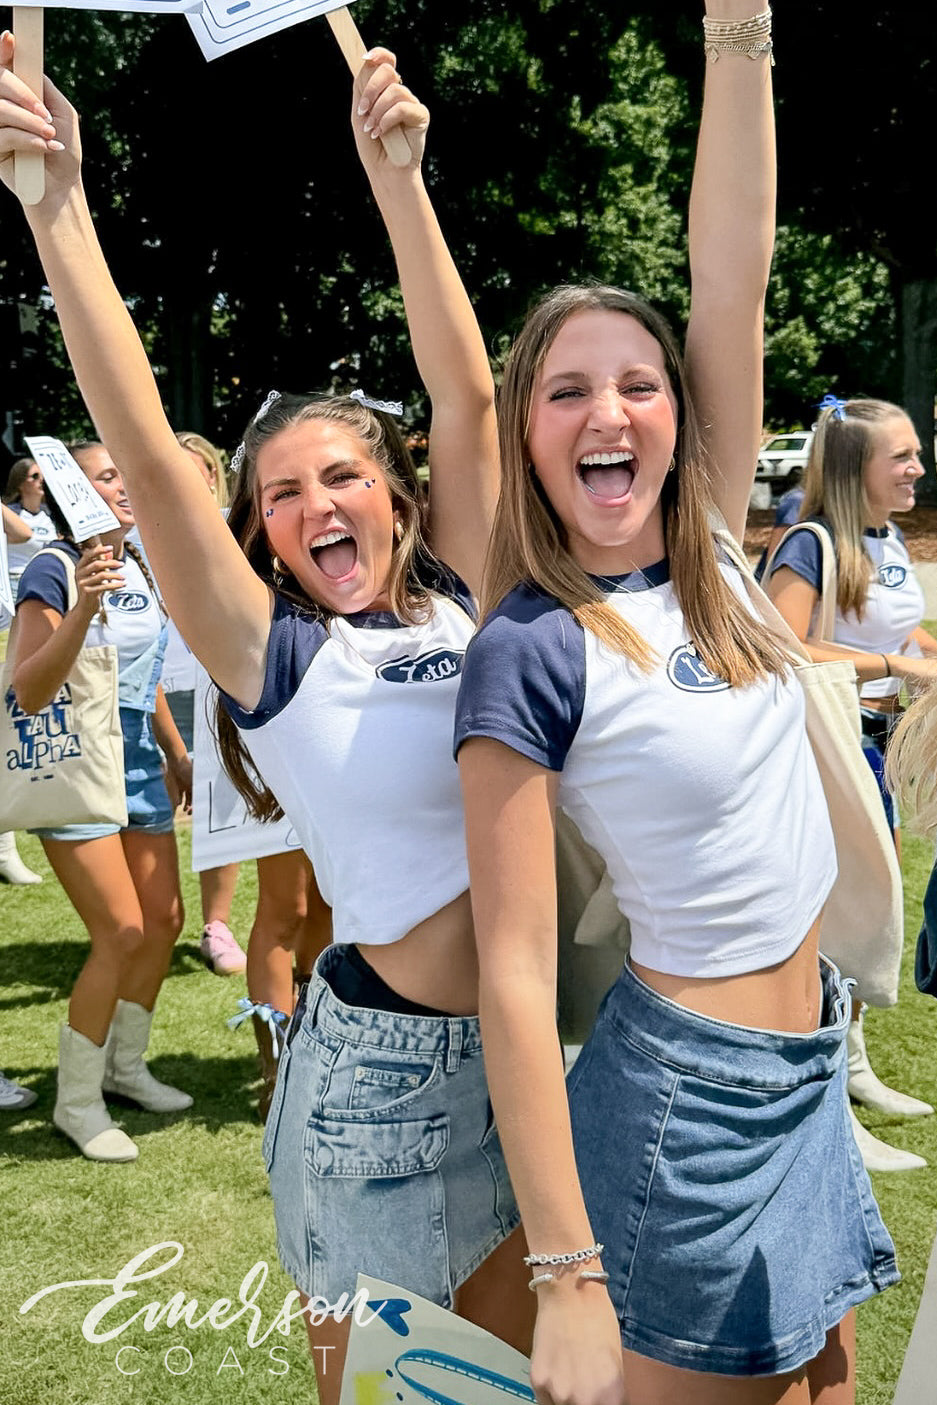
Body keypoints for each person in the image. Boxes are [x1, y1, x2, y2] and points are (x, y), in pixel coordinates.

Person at [0, 37, 531, 1399]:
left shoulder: (465, 602)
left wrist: (399, 182)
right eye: (282, 496)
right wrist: (56, 207)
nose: (314, 506)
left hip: (533, 1060)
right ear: (267, 541)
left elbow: (469, 400)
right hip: (382, 1090)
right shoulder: (280, 660)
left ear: (396, 495)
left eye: (342, 473)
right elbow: (139, 430)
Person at [454, 7, 897, 1404]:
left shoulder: (706, 542)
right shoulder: (528, 649)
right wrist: (567, 1276)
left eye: (638, 383)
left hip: (808, 1059)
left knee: (825, 1390)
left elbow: (732, 271)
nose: (612, 410)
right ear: (528, 431)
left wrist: (741, 32)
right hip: (684, 1116)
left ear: (676, 416)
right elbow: (516, 983)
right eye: (569, 389)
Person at [764, 396, 936, 1173]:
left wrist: (917, 646)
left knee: (873, 915)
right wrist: (898, 668)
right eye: (899, 456)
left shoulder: (885, 537)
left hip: (880, 746)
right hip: (830, 752)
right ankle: (824, 1098)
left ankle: (854, 1067)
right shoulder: (809, 544)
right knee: (829, 930)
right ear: (852, 468)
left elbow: (890, 628)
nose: (916, 468)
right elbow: (777, 648)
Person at [8, 440, 193, 1163]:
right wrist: (85, 603)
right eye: (106, 475)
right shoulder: (55, 568)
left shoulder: (138, 562)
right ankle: (76, 1102)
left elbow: (142, 674)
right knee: (119, 931)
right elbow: (29, 689)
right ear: (69, 490)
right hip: (77, 764)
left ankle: (123, 1068)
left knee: (164, 920)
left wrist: (175, 752)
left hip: (141, 761)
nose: (123, 484)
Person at [157, 430, 245, 976]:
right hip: (159, 684)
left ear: (213, 476)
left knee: (220, 805)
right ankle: (156, 914)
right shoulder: (142, 530)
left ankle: (216, 924)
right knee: (158, 799)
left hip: (217, 679)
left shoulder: (238, 527)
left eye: (199, 471)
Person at [3, 457, 56, 596]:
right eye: (35, 476)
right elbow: (25, 535)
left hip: (46, 582)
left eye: (43, 476)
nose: (41, 480)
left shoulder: (50, 515)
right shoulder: (9, 513)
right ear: (20, 483)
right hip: (15, 581)